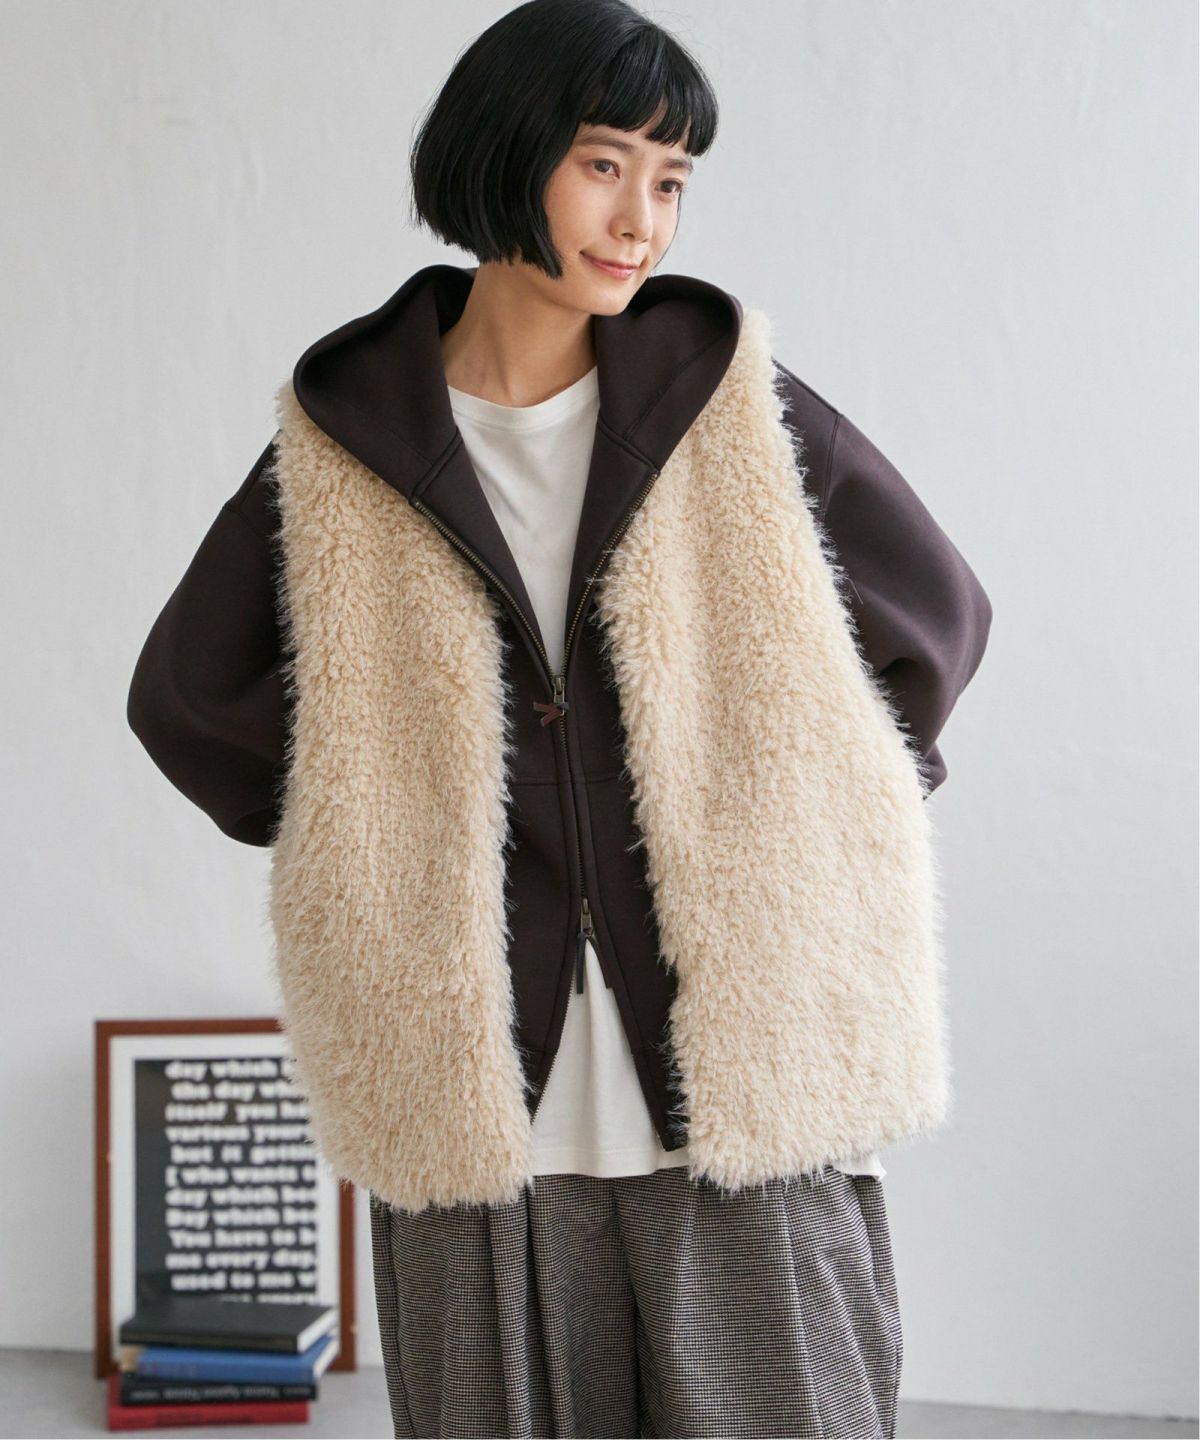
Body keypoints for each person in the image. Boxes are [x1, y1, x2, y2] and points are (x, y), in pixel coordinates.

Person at [126, 1, 993, 1435]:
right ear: (504, 153)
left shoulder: (721, 398)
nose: (641, 219)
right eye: (604, 165)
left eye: (671, 180)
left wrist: (798, 810)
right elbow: (188, 699)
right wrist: (376, 828)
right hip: (479, 1090)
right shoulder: (352, 437)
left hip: (739, 1070)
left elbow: (935, 620)